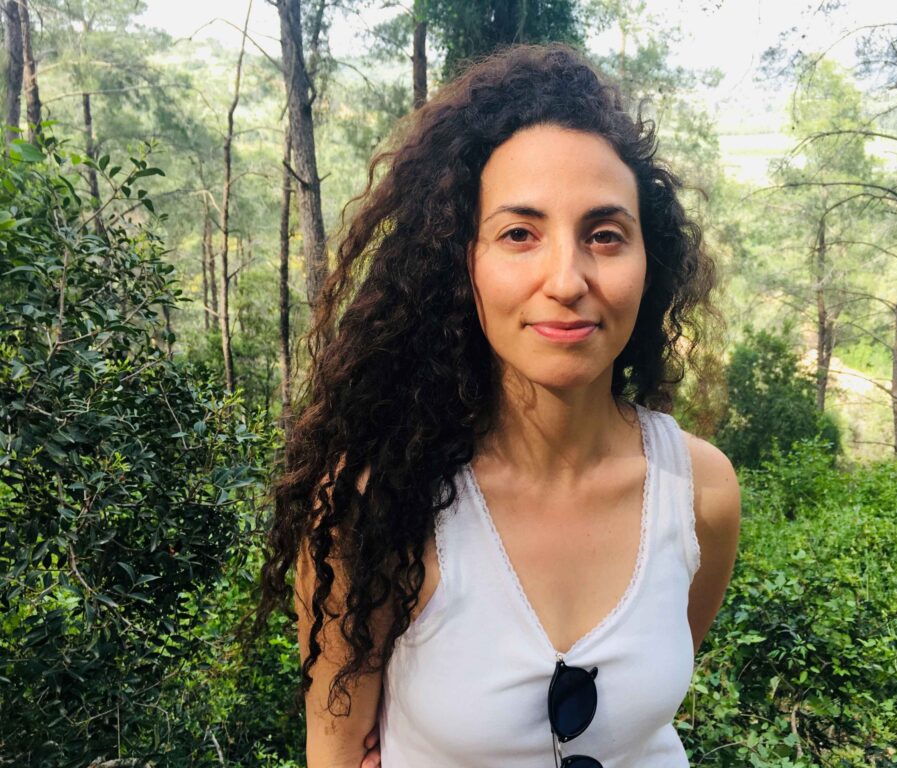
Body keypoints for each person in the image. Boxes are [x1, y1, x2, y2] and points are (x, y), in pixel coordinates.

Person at [257, 43, 740, 768]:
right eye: (520, 234)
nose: (567, 280)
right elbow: (333, 750)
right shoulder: (376, 501)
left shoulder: (699, 491)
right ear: (464, 263)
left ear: (651, 261)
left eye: (605, 235)